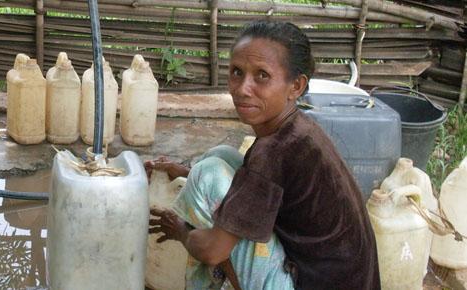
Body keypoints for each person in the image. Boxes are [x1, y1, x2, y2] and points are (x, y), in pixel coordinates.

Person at [146, 20, 380, 289]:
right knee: (221, 155)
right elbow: (261, 190)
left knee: (209, 175)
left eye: (262, 76)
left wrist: (181, 231)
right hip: (348, 279)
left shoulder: (275, 151)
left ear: (296, 86)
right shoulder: (298, 131)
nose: (243, 88)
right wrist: (184, 171)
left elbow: (213, 251)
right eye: (236, 72)